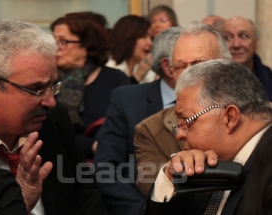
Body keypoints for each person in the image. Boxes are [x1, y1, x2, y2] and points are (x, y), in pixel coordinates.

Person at [0, 19, 103, 215]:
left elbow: (86, 196)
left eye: (53, 87)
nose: (50, 102)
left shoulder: (52, 119)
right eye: (36, 89)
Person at [143, 59, 272, 214]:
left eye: (186, 121)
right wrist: (170, 181)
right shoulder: (202, 165)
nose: (179, 134)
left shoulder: (267, 167)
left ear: (230, 118)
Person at [134, 21, 232, 196]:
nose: (188, 75)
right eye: (180, 67)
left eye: (199, 65)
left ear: (226, 67)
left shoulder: (261, 119)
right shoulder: (151, 130)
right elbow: (153, 188)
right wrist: (170, 173)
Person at [94, 26, 182, 215]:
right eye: (200, 63)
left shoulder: (221, 103)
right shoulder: (127, 100)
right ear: (169, 67)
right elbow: (106, 169)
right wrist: (144, 210)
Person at [51, 13, 129, 159]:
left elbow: (124, 129)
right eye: (53, 41)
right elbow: (49, 132)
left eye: (63, 42)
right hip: (57, 160)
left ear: (86, 47)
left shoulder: (115, 79)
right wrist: (90, 145)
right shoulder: (49, 80)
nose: (56, 48)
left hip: (107, 163)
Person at [221, 16, 272, 101]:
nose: (236, 45)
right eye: (228, 38)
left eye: (243, 36)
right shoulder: (210, 81)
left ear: (256, 42)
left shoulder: (268, 77)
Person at [106, 15, 156, 84]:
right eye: (144, 37)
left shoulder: (148, 70)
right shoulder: (109, 69)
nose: (150, 43)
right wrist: (137, 77)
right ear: (128, 38)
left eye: (151, 38)